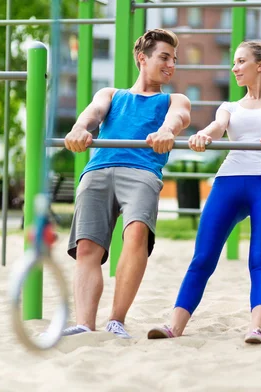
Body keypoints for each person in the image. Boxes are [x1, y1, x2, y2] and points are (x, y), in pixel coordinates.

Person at [147, 41, 261, 344]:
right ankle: (175, 325)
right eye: (233, 62)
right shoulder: (229, 106)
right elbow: (218, 126)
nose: (235, 68)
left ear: (260, 66)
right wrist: (204, 134)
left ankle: (257, 327)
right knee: (202, 257)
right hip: (228, 180)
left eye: (241, 62)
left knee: (260, 258)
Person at [61, 29, 191, 338]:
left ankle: (116, 320)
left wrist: (167, 130)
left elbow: (180, 116)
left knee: (136, 235)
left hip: (142, 172)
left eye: (174, 60)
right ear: (142, 58)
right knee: (87, 247)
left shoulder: (174, 98)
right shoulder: (111, 94)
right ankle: (84, 323)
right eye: (164, 57)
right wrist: (79, 128)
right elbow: (92, 114)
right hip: (99, 169)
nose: (170, 64)